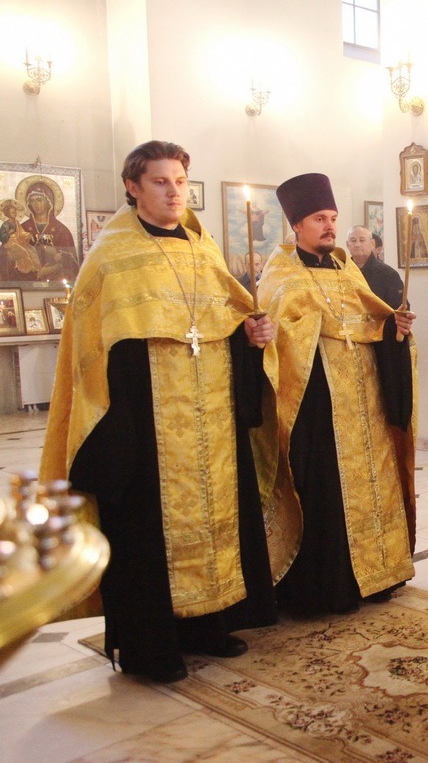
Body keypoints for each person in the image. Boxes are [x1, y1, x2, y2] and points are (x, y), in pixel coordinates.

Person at [39, 140, 295, 684]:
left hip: (212, 424)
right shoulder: (111, 255)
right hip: (143, 423)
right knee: (145, 532)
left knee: (216, 522)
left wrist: (251, 337)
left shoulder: (203, 249)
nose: (174, 192)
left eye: (179, 181)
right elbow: (93, 351)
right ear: (133, 187)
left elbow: (228, 323)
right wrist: (124, 426)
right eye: (160, 182)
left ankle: (207, 625)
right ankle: (150, 647)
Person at [258, 172, 415, 616]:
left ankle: (378, 574)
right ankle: (331, 587)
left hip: (366, 401)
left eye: (332, 218)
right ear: (297, 225)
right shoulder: (281, 275)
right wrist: (322, 328)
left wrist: (394, 327)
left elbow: (374, 320)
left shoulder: (348, 270)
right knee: (326, 490)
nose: (329, 226)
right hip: (318, 406)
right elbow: (280, 337)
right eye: (318, 219)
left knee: (374, 482)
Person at [349, 222, 418, 548]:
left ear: (373, 244)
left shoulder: (387, 275)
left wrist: (397, 325)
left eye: (362, 239)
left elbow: (397, 314)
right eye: (352, 240)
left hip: (382, 359)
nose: (357, 244)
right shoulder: (344, 274)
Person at [0, 177, 80, 281]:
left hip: (56, 281)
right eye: (32, 201)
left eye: (39, 200)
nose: (36, 204)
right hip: (27, 280)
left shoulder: (62, 230)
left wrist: (56, 254)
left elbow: (72, 264)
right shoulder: (22, 227)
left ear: (49, 202)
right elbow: (5, 255)